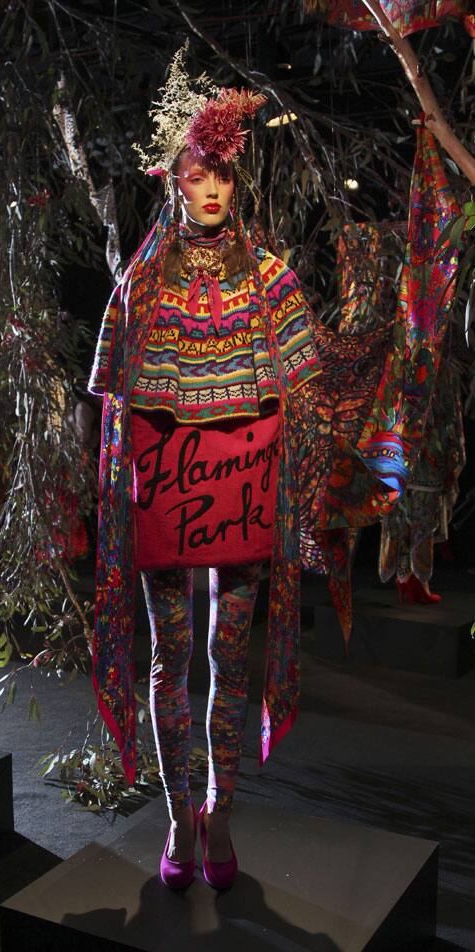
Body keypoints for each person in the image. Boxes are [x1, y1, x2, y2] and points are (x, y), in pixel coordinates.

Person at [86, 47, 459, 890]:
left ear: (236, 180)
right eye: (197, 172)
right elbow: (107, 402)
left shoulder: (272, 281)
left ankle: (219, 811)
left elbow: (317, 379)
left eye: (223, 173)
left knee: (229, 655)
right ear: (173, 179)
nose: (212, 188)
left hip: (241, 500)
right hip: (170, 502)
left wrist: (395, 325)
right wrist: (116, 486)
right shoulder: (141, 289)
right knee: (168, 654)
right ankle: (180, 812)